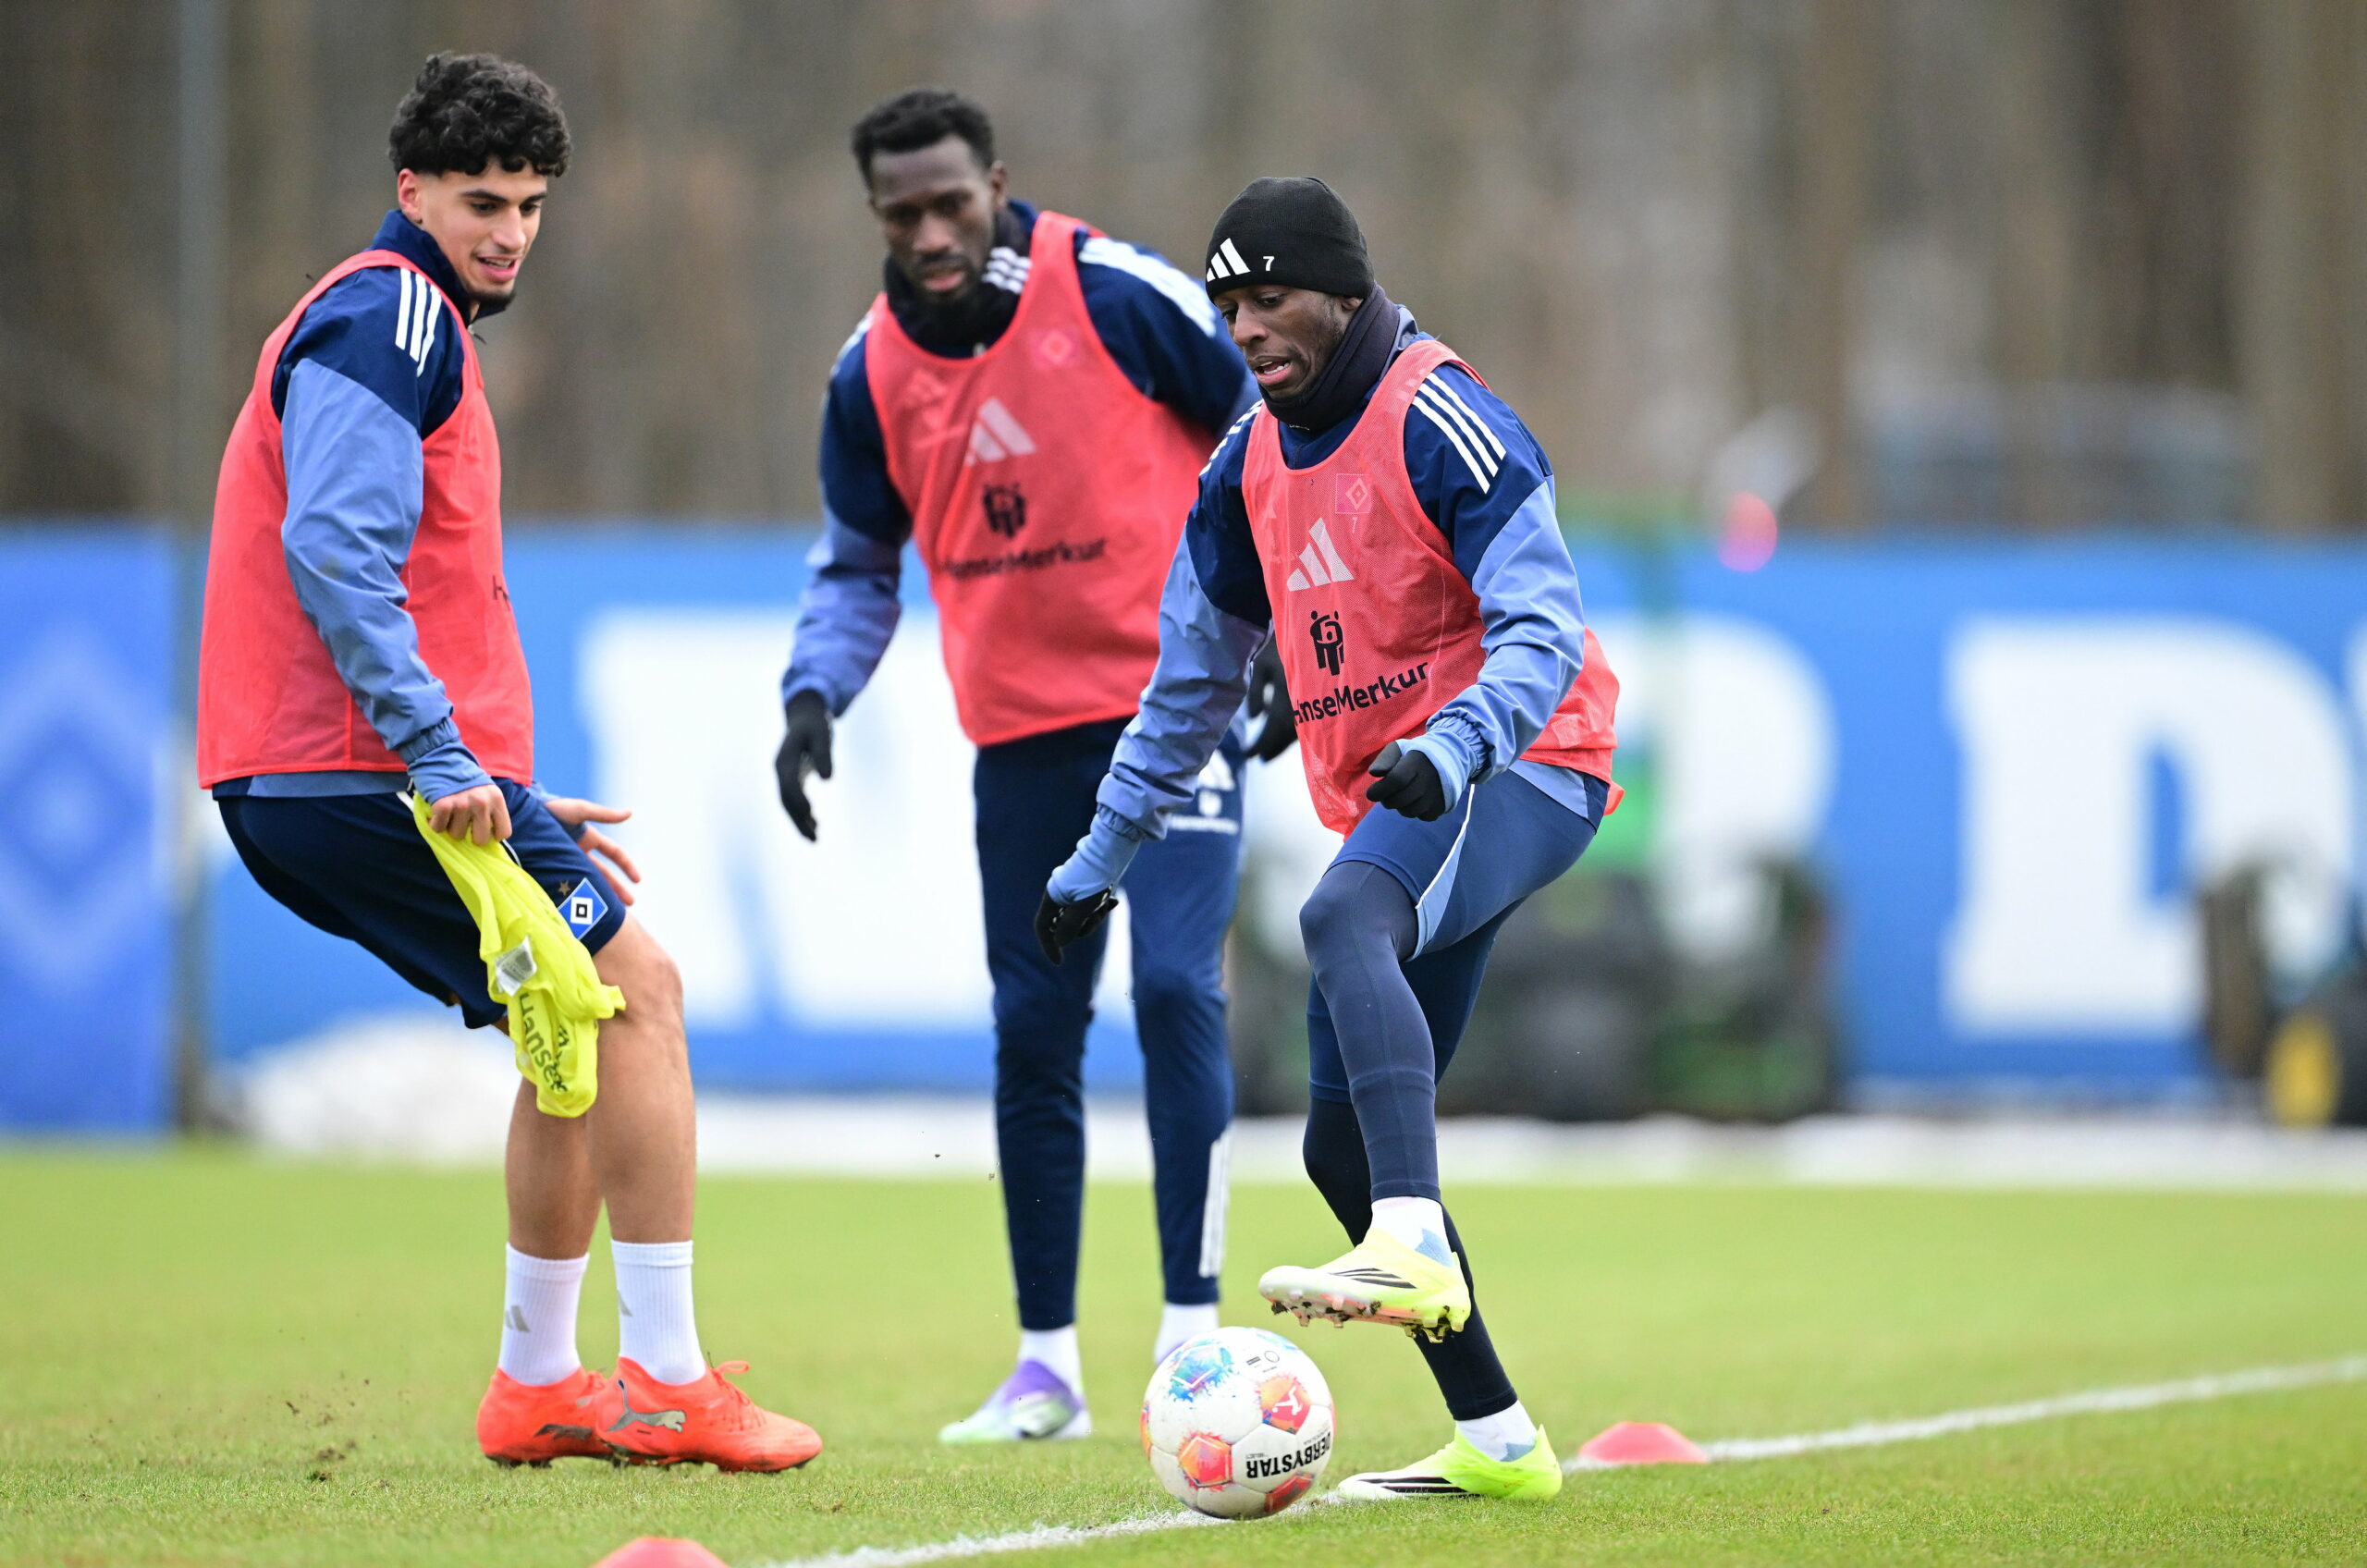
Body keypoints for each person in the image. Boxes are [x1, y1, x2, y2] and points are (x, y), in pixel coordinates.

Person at [196, 53, 818, 1472]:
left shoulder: (402, 321)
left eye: (533, 205)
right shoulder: (392, 314)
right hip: (352, 768)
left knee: (566, 1033)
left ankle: (537, 1380)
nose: (511, 233)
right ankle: (662, 1375)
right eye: (483, 200)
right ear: (409, 191)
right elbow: (337, 553)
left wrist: (503, 787)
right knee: (637, 992)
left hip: (337, 768)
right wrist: (434, 755)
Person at [1037, 178, 1619, 1501]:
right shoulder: (1241, 466)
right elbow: (1188, 683)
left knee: (1341, 919)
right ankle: (1501, 1441)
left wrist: (1456, 745)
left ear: (1345, 293)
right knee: (1336, 1152)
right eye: (1226, 302)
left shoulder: (1443, 416)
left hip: (1525, 760)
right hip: (1399, 799)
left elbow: (1542, 626)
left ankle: (1410, 1238)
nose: (1245, 325)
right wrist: (1098, 857)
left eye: (1271, 294)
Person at [775, 89, 1274, 1442]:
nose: (933, 231)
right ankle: (1045, 1367)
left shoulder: (1115, 295)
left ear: (997, 182)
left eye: (952, 201)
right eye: (903, 212)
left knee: (1176, 988)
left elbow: (1274, 432)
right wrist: (816, 691)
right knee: (1034, 1032)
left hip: (1174, 710)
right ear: (875, 213)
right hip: (1022, 742)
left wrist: (1280, 625)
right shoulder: (867, 374)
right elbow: (857, 563)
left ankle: (1196, 1338)